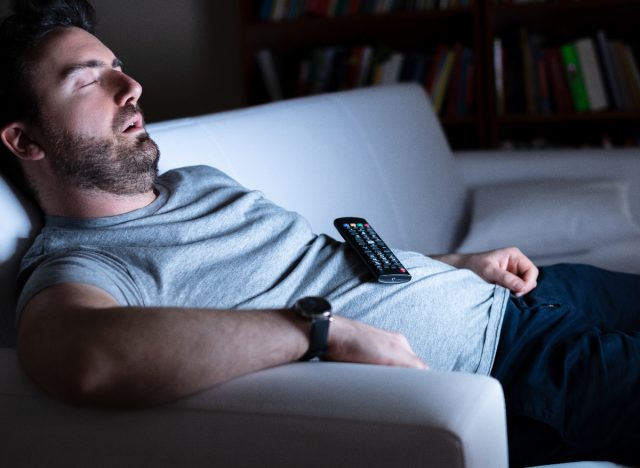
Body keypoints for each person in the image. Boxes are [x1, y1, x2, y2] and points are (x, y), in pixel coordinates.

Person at [0, 1, 638, 466]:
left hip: (524, 295)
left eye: (118, 66)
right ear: (25, 140)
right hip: (519, 371)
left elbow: (323, 270)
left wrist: (452, 264)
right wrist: (315, 330)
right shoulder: (83, 264)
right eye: (88, 80)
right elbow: (85, 356)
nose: (131, 86)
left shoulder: (195, 179)